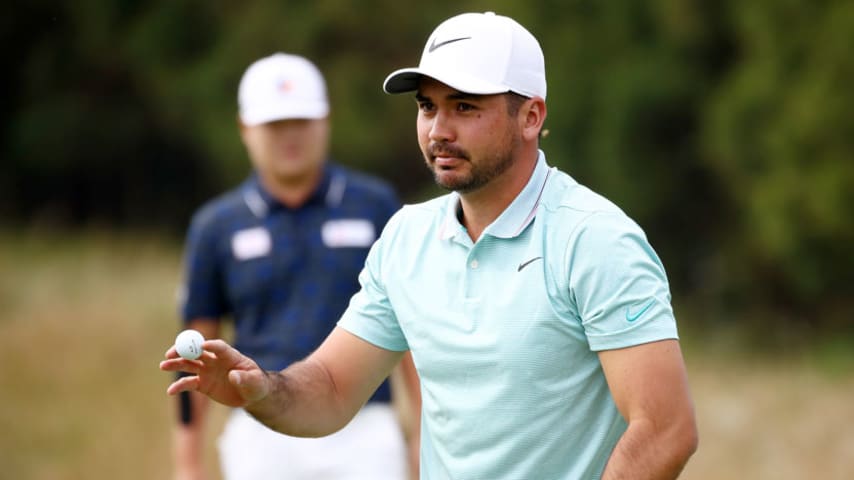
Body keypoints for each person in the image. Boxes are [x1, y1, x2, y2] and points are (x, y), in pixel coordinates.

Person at [162, 13, 698, 479]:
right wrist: (260, 389)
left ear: (531, 116)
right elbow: (329, 388)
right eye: (427, 107)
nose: (438, 129)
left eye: (464, 107)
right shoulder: (406, 236)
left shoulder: (596, 240)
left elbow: (666, 429)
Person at [172, 52, 419, 480]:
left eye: (301, 121)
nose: (290, 136)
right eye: (275, 125)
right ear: (245, 129)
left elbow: (412, 328)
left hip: (365, 425)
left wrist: (422, 434)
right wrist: (187, 462)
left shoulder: (376, 205)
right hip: (259, 426)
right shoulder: (216, 225)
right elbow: (195, 346)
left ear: (325, 121)